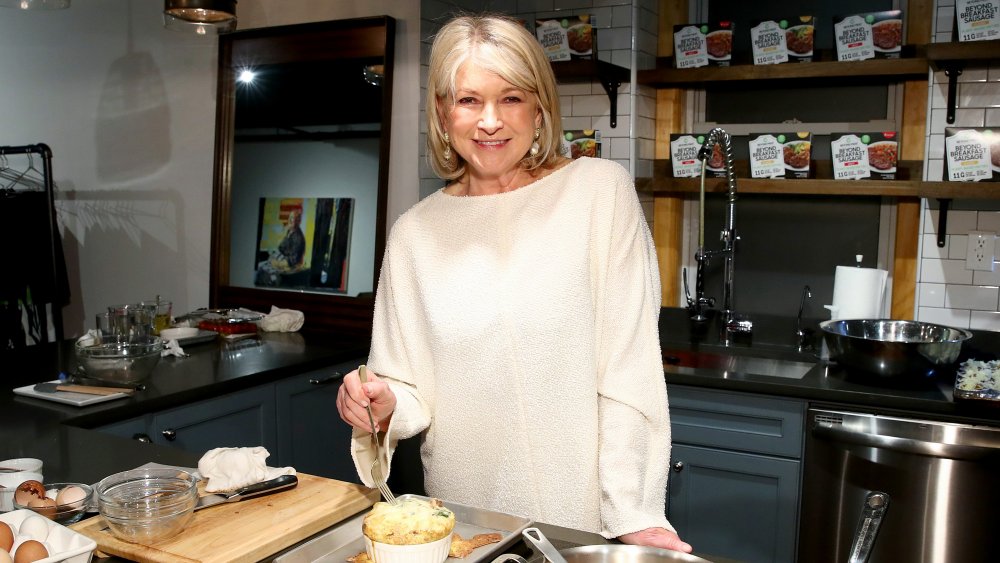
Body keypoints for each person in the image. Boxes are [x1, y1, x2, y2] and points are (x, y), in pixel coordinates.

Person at [336, 14, 691, 554]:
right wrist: (379, 404)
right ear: (441, 111)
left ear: (540, 106)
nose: (490, 122)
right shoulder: (414, 233)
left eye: (511, 98)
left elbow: (628, 371)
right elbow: (407, 386)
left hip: (582, 520)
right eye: (468, 100)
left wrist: (634, 510)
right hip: (468, 524)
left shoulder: (599, 194)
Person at [255, 207, 306, 286]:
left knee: (267, 276)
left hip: (287, 267)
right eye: (291, 218)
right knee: (259, 267)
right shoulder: (290, 231)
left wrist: (277, 263)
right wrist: (285, 231)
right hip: (279, 260)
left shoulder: (298, 238)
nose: (291, 220)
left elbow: (292, 261)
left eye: (295, 219)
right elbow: (281, 247)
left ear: (299, 221)